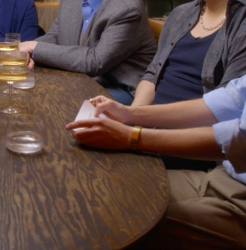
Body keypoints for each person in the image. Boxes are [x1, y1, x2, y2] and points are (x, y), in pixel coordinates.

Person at [66, 77, 246, 250]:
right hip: (224, 175)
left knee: (117, 222)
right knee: (110, 187)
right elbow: (224, 103)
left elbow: (240, 141)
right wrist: (127, 113)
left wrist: (131, 136)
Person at [20, 0, 156, 105]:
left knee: (54, 100)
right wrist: (29, 53)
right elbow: (54, 36)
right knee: (24, 89)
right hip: (78, 79)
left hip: (118, 89)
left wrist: (34, 46)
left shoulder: (127, 8)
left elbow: (95, 61)